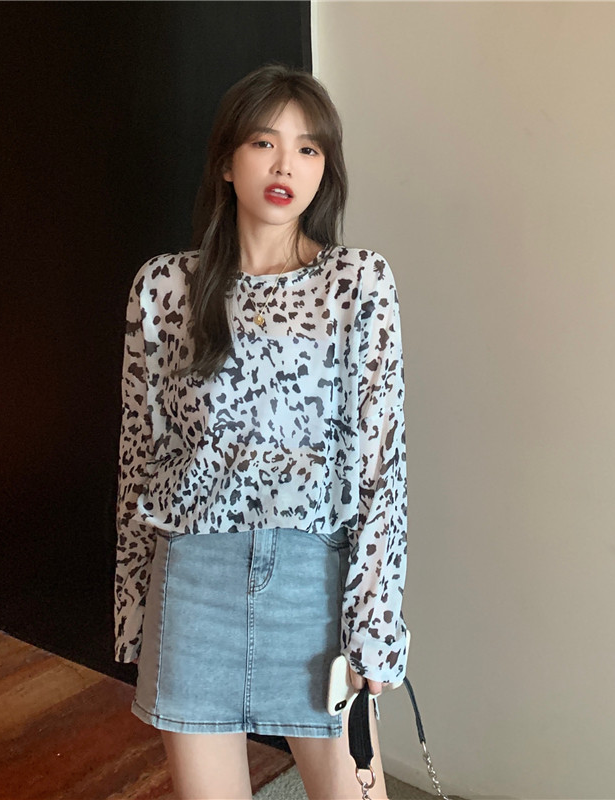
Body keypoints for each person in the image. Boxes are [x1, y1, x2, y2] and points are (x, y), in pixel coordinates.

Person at [114, 63, 407, 800]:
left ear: (325, 169)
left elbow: (383, 466)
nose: (285, 166)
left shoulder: (357, 282)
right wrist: (132, 608)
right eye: (264, 143)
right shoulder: (164, 286)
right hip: (195, 583)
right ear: (226, 161)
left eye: (308, 149)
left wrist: (375, 623)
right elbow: (140, 453)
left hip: (315, 587)